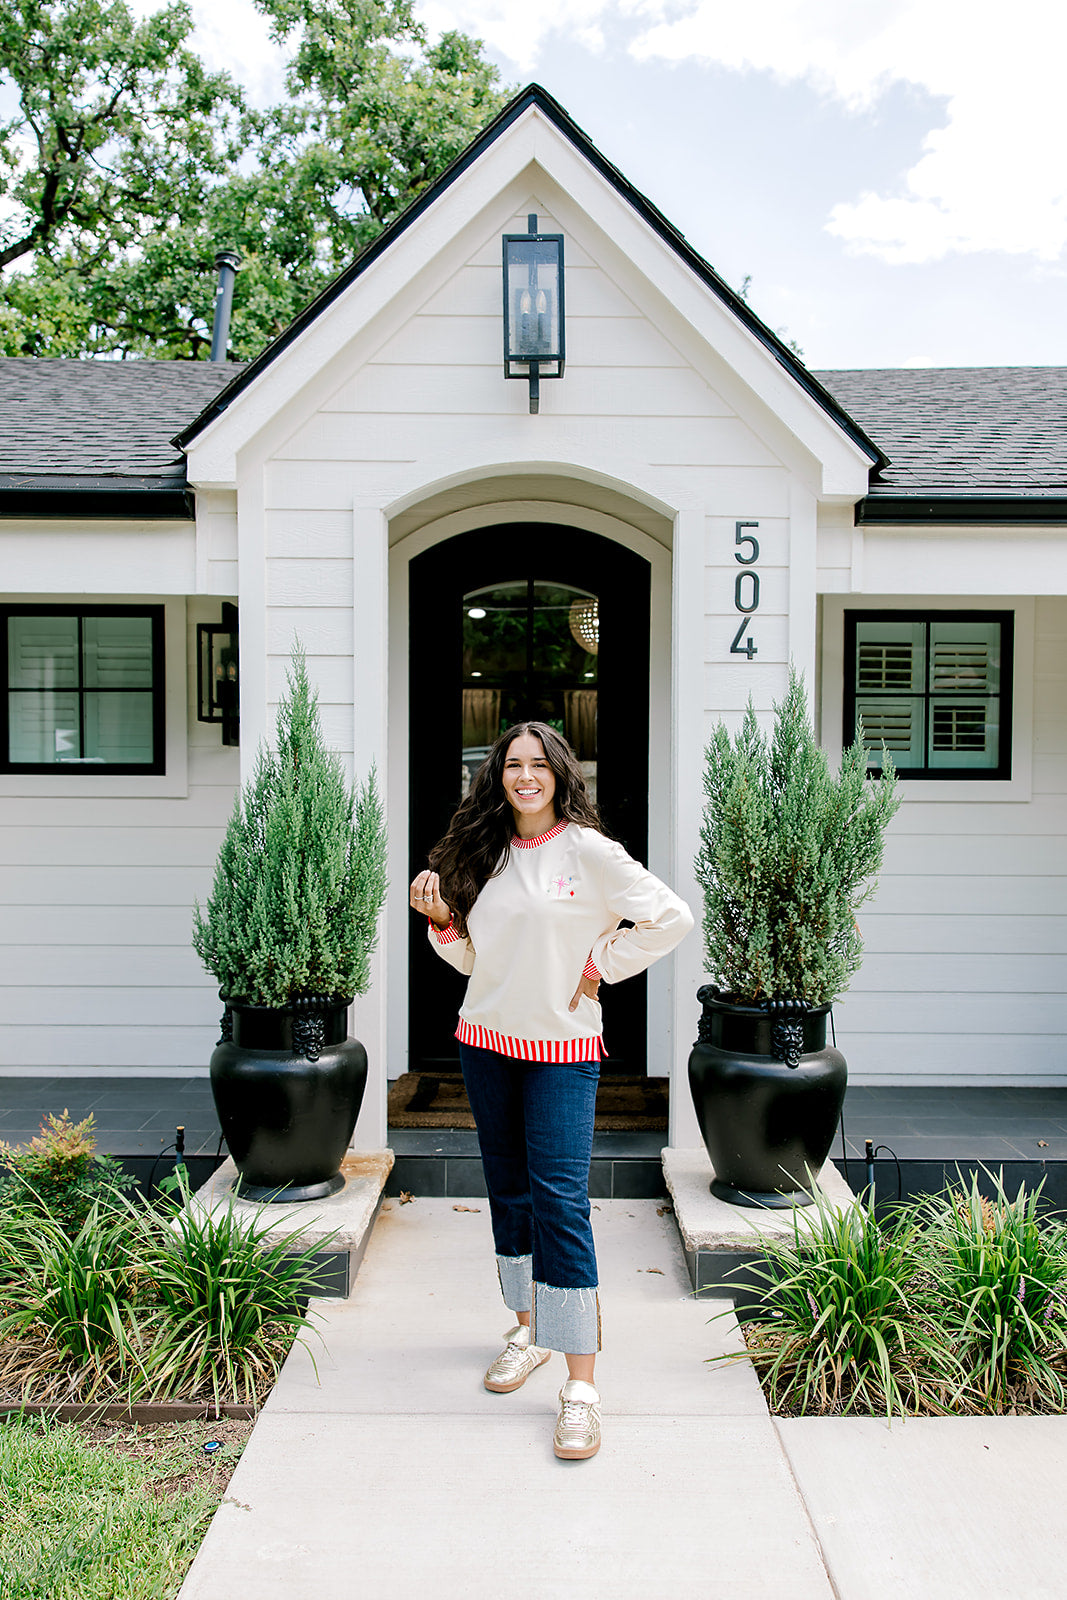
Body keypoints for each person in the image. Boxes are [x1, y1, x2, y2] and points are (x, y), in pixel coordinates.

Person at [409, 720, 693, 1461]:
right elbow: (476, 959)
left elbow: (670, 917)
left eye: (538, 765)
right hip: (484, 1044)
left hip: (562, 1051)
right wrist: (441, 920)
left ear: (560, 774)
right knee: (509, 1192)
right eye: (512, 764)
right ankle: (527, 1328)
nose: (524, 776)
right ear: (497, 775)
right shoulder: (483, 850)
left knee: (560, 1201)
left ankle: (580, 1391)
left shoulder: (590, 852)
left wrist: (599, 963)